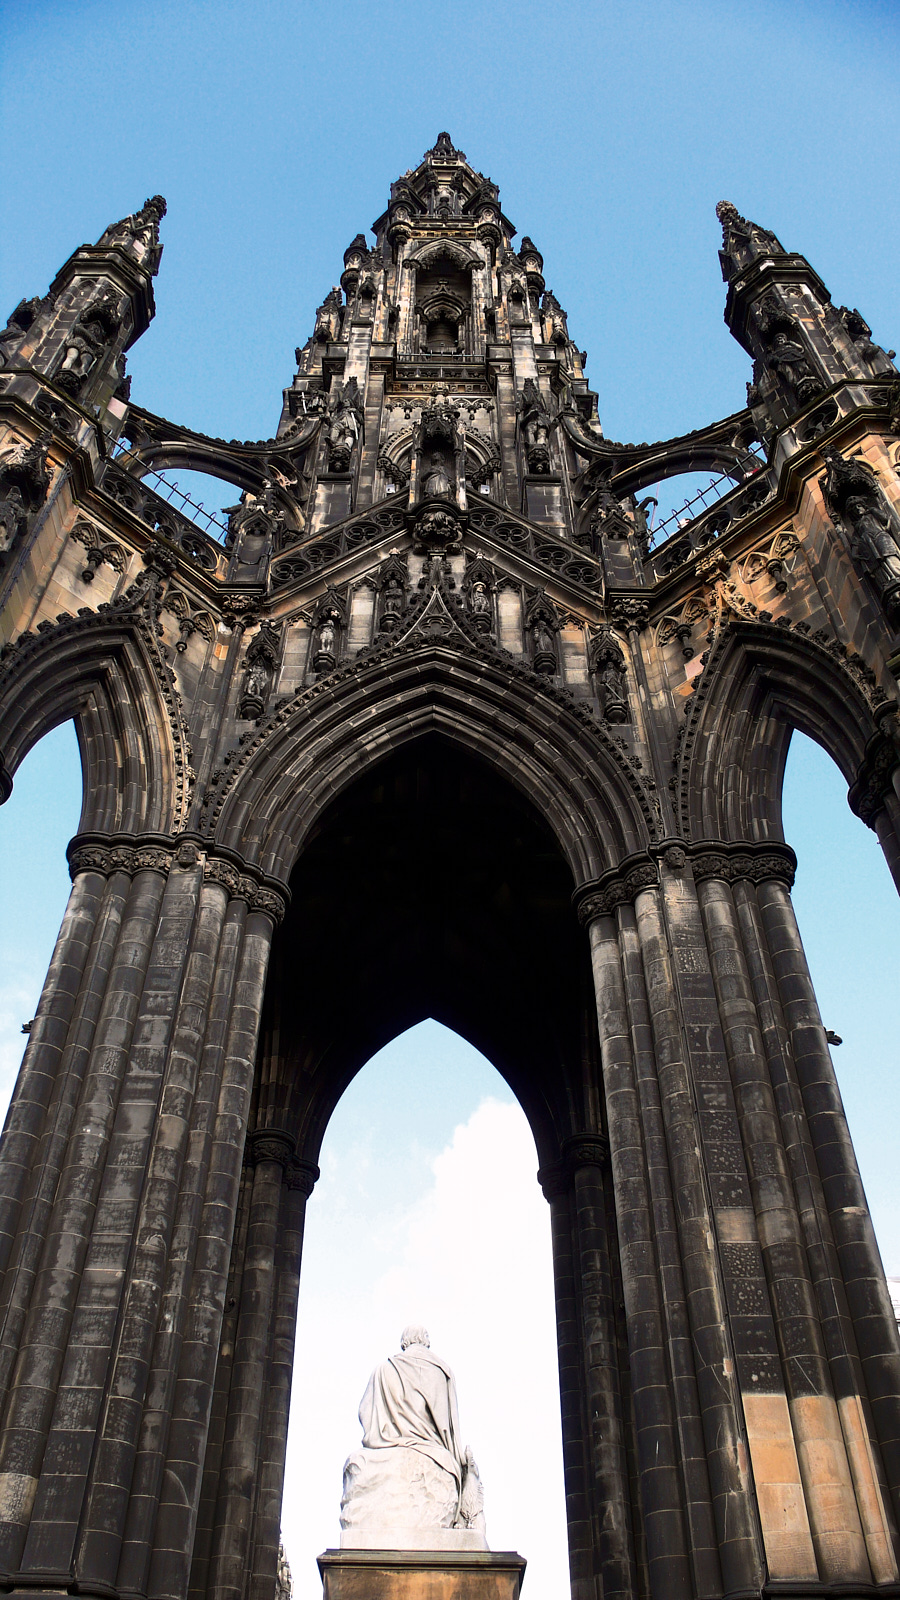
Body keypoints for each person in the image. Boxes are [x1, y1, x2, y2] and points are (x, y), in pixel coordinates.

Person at [340, 1326, 485, 1545]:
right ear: (426, 1342)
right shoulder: (440, 1370)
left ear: (404, 1342)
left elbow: (365, 1413)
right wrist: (457, 1463)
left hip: (384, 1449)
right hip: (433, 1455)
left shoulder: (383, 1369)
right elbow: (447, 1424)